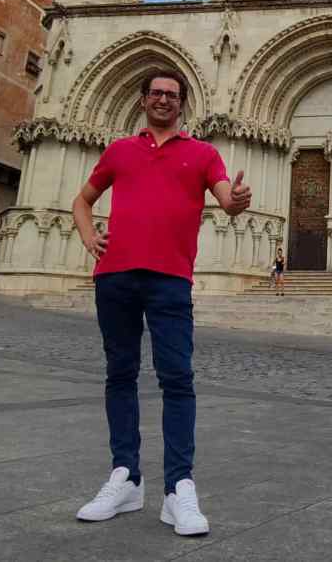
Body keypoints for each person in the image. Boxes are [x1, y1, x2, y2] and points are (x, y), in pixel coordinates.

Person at [72, 70, 252, 537]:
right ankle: (126, 477)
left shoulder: (203, 153)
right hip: (114, 277)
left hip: (171, 280)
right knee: (120, 374)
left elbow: (225, 198)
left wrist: (237, 200)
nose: (163, 100)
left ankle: (178, 488)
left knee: (178, 379)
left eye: (172, 95)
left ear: (182, 103)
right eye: (156, 93)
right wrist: (90, 237)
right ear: (142, 100)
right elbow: (82, 200)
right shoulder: (119, 151)